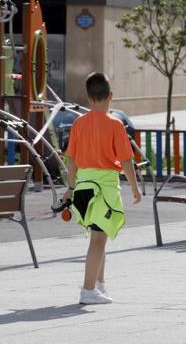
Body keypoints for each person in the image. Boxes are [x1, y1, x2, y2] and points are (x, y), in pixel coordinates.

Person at [63, 72, 142, 305]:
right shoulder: (115, 125)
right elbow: (126, 161)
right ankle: (88, 290)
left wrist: (70, 187)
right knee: (98, 240)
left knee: (99, 237)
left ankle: (99, 285)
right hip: (105, 187)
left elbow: (71, 159)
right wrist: (135, 189)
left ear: (89, 98)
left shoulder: (79, 123)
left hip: (84, 188)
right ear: (111, 96)